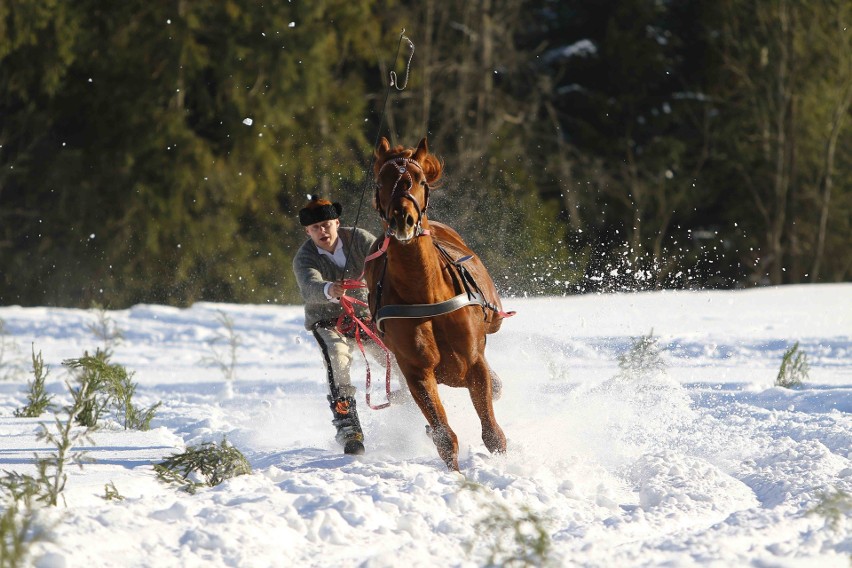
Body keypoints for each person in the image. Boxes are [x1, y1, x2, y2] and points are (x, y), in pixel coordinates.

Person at [292, 196, 386, 456]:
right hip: (327, 321)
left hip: (366, 317)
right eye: (315, 228)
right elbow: (309, 287)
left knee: (396, 356)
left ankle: (419, 409)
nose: (322, 231)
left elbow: (384, 261)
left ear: (337, 222)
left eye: (326, 224)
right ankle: (348, 427)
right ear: (307, 232)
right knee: (337, 359)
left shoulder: (360, 238)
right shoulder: (304, 258)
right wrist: (329, 289)